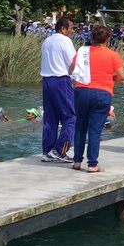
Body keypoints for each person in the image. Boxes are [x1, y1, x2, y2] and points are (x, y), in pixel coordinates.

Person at [70, 25, 124, 172]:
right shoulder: (112, 55)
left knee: (80, 127)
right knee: (95, 130)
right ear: (108, 39)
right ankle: (92, 164)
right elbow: (123, 76)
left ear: (92, 37)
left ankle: (77, 161)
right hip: (102, 92)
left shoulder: (82, 52)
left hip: (82, 90)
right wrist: (110, 78)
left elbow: (71, 70)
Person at [39, 16, 77, 162]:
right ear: (63, 29)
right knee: (70, 116)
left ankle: (47, 151)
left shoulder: (47, 40)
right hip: (61, 80)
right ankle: (60, 149)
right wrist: (75, 77)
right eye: (71, 28)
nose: (73, 31)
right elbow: (73, 62)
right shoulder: (65, 41)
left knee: (50, 117)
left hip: (47, 80)